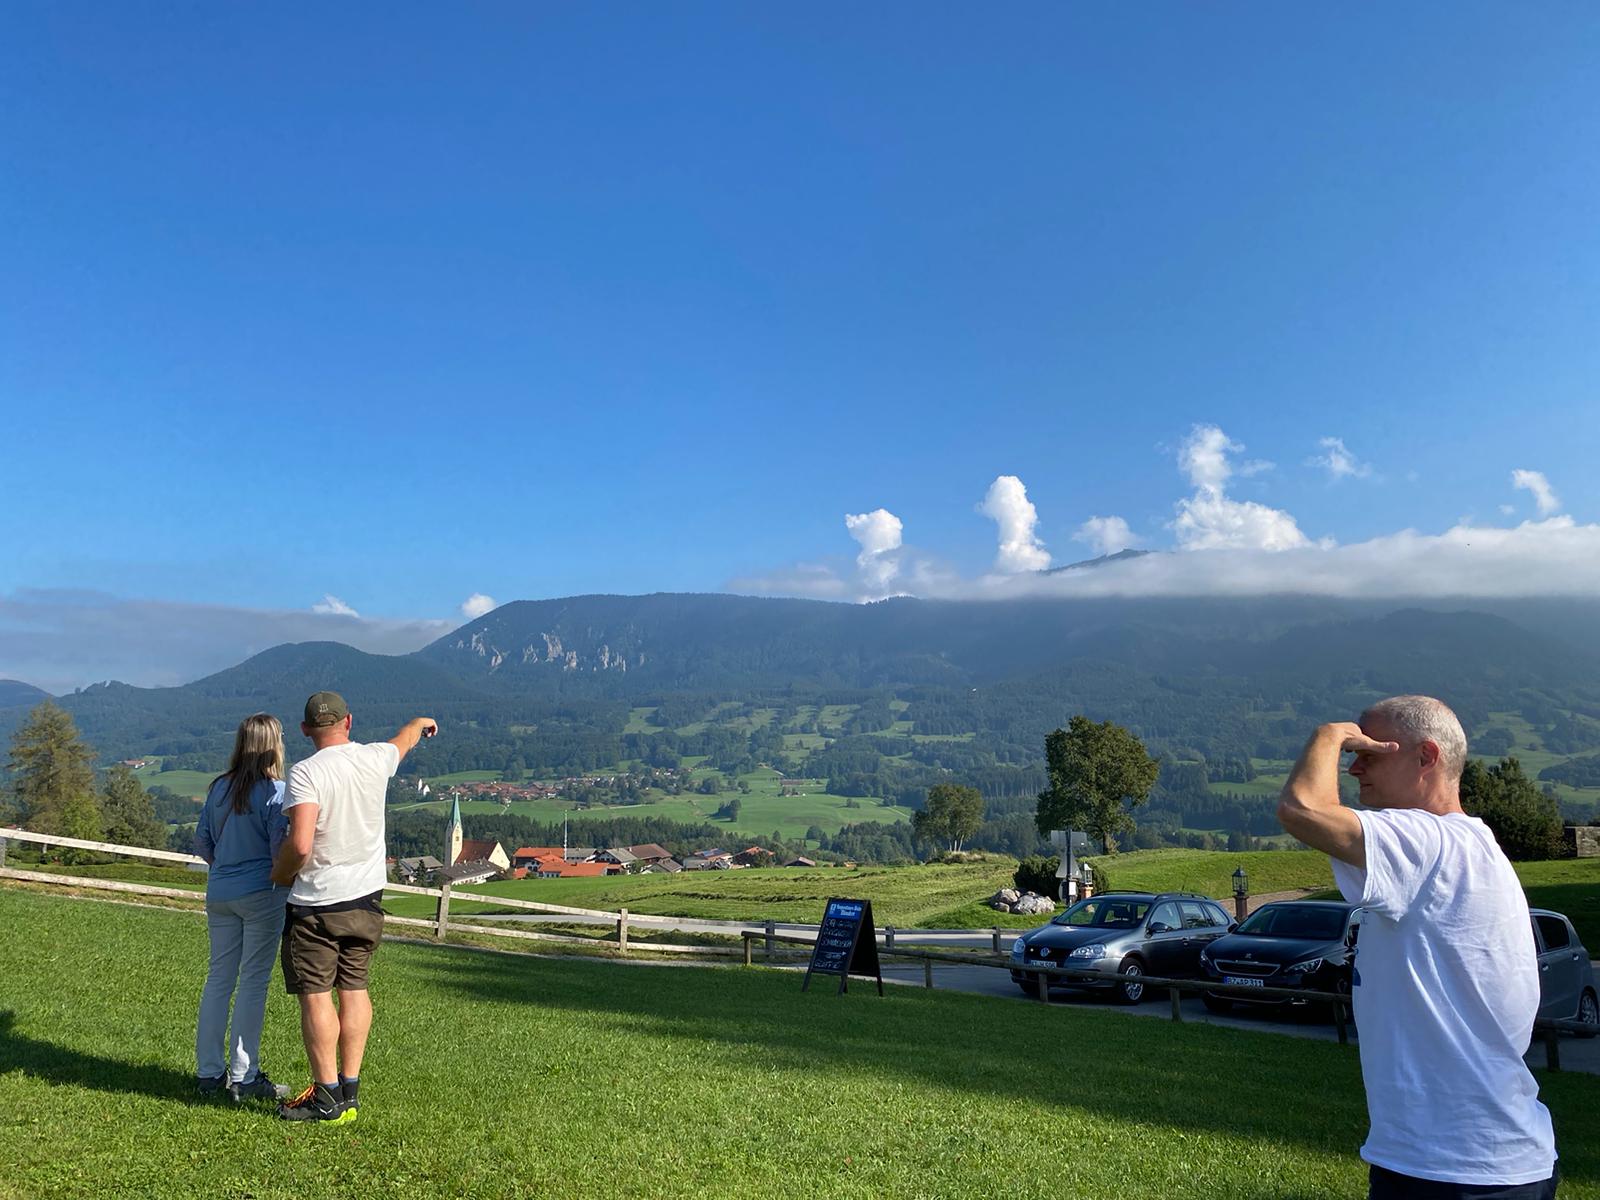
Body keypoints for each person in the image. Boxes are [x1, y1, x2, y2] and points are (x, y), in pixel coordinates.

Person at [1277, 695, 1557, 1199]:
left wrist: (1328, 735)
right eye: (1353, 752)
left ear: (1427, 756)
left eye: (1369, 752)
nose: (1355, 768)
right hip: (1484, 1163)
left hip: (1451, 1171)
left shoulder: (1430, 843)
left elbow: (1303, 809)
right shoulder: (1470, 845)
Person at [270, 691, 435, 1124]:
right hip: (367, 899)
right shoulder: (376, 757)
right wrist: (420, 722)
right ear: (348, 721)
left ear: (305, 730)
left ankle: (325, 1096)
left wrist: (279, 875)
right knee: (355, 988)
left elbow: (300, 844)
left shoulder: (306, 772)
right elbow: (403, 740)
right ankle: (350, 1090)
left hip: (316, 904)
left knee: (316, 994)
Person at [193, 712, 292, 1103]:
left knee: (218, 979)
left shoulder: (219, 788)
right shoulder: (275, 792)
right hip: (262, 893)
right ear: (273, 745)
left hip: (220, 892)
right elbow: (279, 852)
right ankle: (244, 1076)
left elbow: (203, 842)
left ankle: (208, 1072)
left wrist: (225, 867)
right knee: (253, 982)